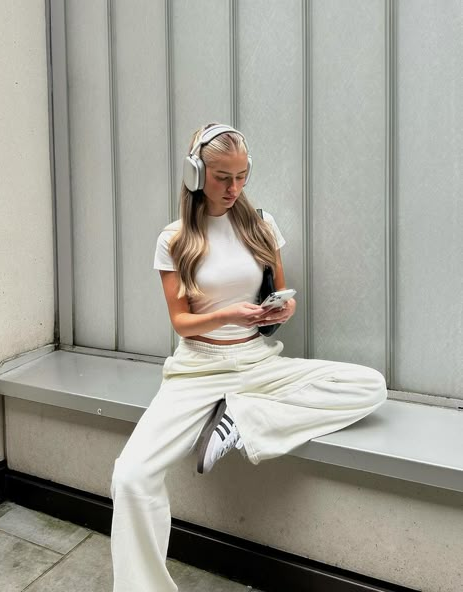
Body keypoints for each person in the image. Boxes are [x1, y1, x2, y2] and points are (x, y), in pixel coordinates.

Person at [110, 123, 387, 592]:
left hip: (258, 363)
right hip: (196, 369)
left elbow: (279, 294)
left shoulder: (261, 225)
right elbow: (181, 322)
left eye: (242, 176)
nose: (234, 188)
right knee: (131, 476)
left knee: (369, 385)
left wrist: (284, 306)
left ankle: (243, 418)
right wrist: (226, 315)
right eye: (222, 177)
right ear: (195, 173)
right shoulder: (173, 239)